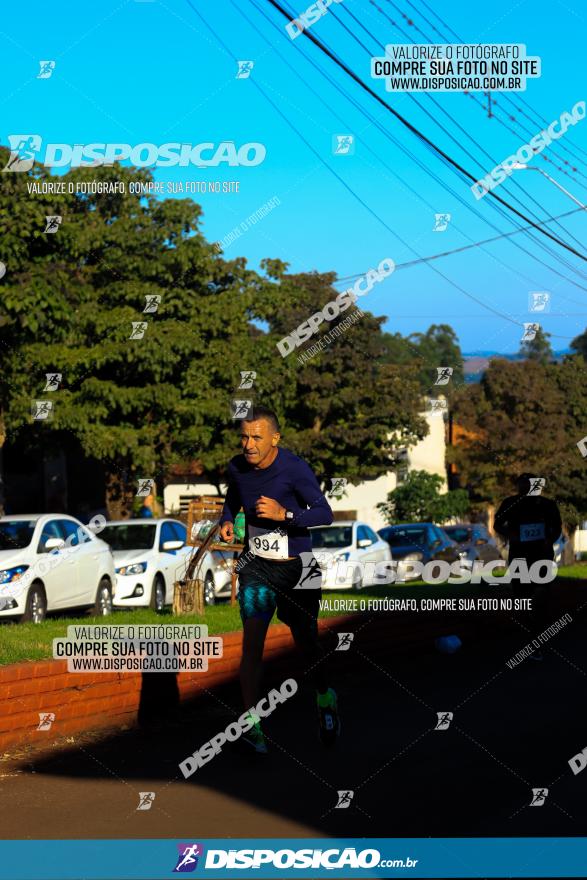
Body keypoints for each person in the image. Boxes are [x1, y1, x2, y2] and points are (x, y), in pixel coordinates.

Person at [219, 405, 339, 754]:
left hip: (297, 567)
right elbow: (233, 497)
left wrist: (283, 513)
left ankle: (324, 695)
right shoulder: (237, 468)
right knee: (252, 642)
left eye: (257, 437)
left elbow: (324, 514)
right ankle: (251, 724)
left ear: (275, 438)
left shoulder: (295, 469)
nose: (248, 444)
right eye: (244, 436)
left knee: (306, 642)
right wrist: (228, 519)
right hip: (257, 566)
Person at [494, 473, 562, 659]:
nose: (525, 488)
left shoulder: (547, 505)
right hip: (520, 556)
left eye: (529, 484)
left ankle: (537, 634)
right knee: (523, 595)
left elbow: (557, 527)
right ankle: (531, 634)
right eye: (521, 484)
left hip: (542, 555)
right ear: (518, 486)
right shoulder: (510, 503)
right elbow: (498, 523)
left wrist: (549, 540)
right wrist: (510, 535)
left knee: (541, 593)